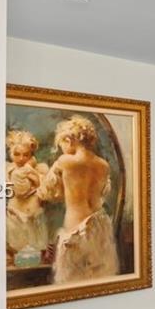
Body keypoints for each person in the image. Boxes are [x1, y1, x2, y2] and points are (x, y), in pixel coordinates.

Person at [39, 114, 118, 283]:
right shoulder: (103, 165)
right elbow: (103, 192)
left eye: (61, 144)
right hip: (100, 226)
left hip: (75, 226)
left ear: (68, 140)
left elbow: (46, 192)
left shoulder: (65, 161)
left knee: (71, 281)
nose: (61, 149)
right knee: (99, 278)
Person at [4, 128, 49, 261]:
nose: (21, 158)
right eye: (17, 154)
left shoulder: (41, 169)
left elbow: (46, 193)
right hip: (14, 220)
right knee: (14, 258)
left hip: (35, 221)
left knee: (36, 259)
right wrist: (27, 169)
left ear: (31, 154)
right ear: (10, 153)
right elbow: (20, 190)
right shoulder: (7, 169)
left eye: (26, 155)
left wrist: (33, 173)